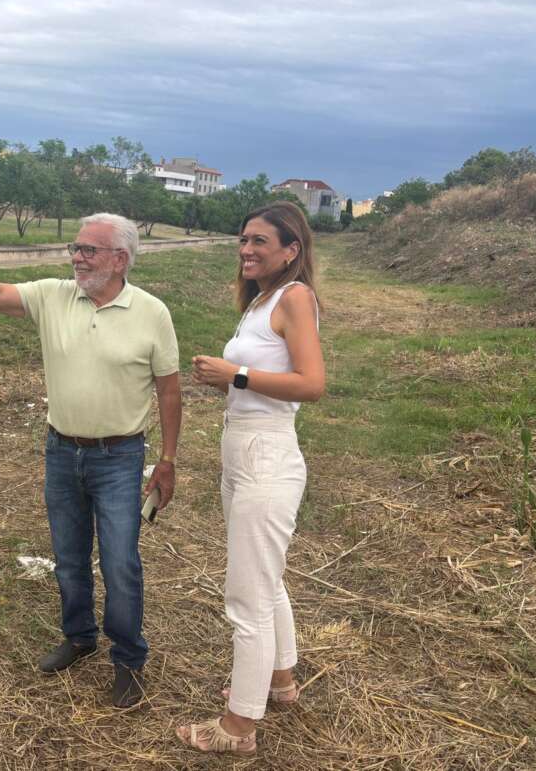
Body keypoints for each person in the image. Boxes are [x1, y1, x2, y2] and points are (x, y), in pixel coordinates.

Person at [0, 213, 182, 708]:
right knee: (68, 555)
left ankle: (128, 658)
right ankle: (80, 636)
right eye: (76, 247)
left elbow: (170, 392)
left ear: (121, 259)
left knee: (121, 562)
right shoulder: (54, 295)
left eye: (90, 250)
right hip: (61, 451)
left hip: (120, 456)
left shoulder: (152, 313)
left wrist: (167, 460)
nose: (77, 257)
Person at [179, 201, 324, 754]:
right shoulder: (261, 299)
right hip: (242, 450)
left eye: (260, 241)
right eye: (243, 239)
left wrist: (234, 374)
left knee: (247, 596)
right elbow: (268, 378)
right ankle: (279, 682)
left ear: (292, 250)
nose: (246, 249)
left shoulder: (295, 297)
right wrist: (231, 382)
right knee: (267, 580)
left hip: (267, 455)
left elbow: (311, 384)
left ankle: (238, 727)